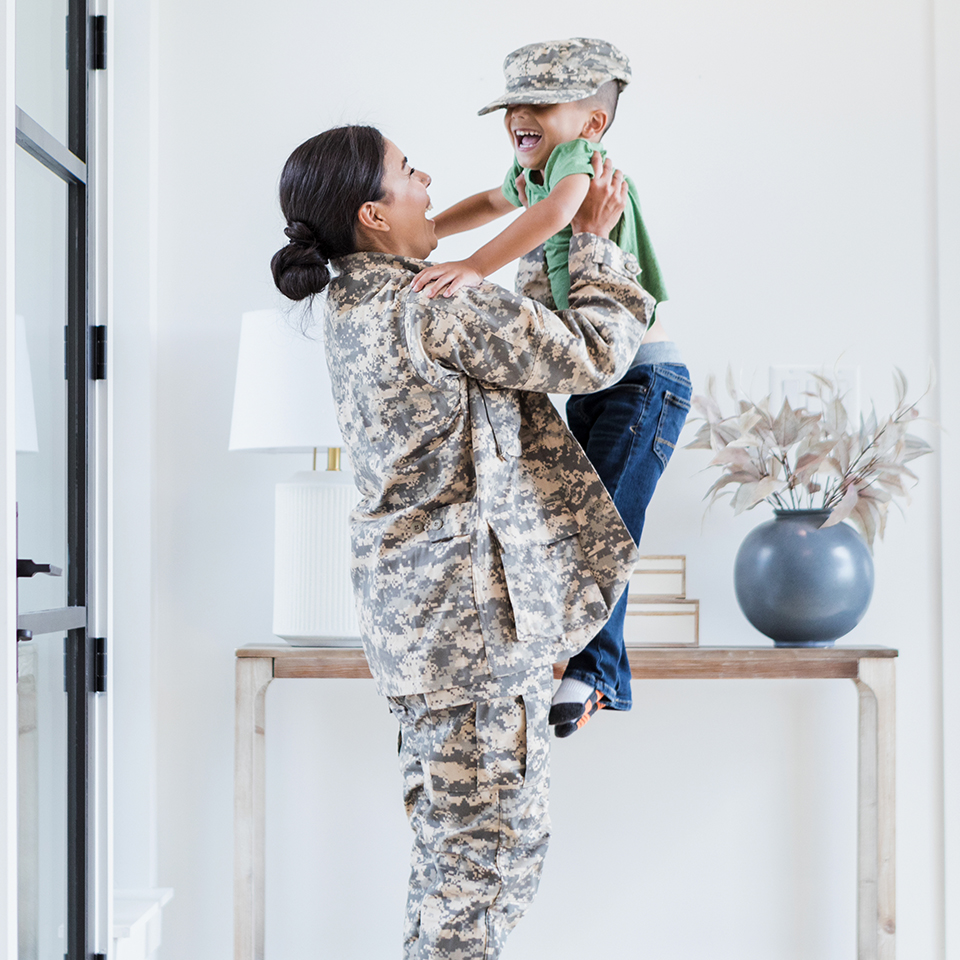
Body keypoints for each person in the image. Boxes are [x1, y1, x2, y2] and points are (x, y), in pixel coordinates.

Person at [270, 124, 652, 960]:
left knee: (450, 864)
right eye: (410, 171)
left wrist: (535, 224)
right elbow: (591, 354)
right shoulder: (430, 304)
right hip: (472, 636)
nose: (428, 177)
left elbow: (493, 317)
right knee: (487, 872)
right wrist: (590, 247)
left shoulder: (354, 302)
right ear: (374, 213)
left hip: (418, 634)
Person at [415, 37, 692, 735]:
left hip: (645, 381)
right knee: (582, 527)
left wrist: (474, 266)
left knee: (604, 531)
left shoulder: (578, 168)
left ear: (591, 124)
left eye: (539, 103)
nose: (519, 116)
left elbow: (555, 216)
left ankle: (592, 674)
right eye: (512, 105)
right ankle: (591, 671)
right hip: (601, 382)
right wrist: (425, 237)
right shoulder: (534, 169)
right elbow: (489, 199)